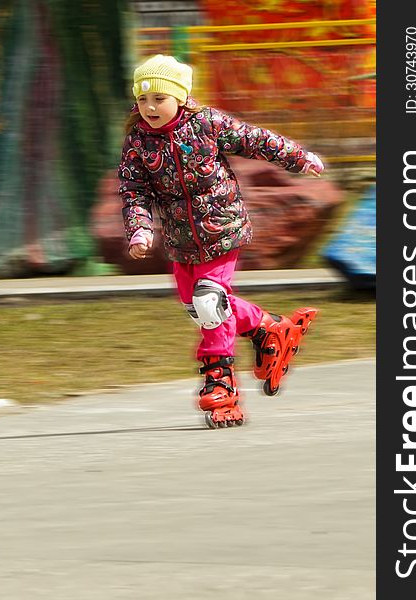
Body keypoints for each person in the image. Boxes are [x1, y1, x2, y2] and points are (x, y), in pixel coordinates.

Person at [118, 54, 323, 429]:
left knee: (209, 301)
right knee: (199, 307)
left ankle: (221, 385)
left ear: (180, 97)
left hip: (222, 227)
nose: (150, 107)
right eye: (143, 99)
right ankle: (269, 329)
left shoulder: (206, 124)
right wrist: (140, 228)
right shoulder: (138, 141)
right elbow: (134, 191)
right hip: (181, 240)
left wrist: (298, 158)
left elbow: (256, 140)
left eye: (159, 98)